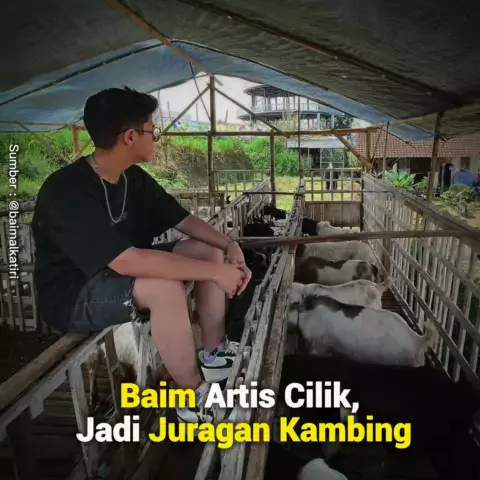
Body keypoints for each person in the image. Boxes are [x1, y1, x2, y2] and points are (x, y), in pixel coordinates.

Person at [32, 87, 252, 423]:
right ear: (130, 136)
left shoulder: (132, 179)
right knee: (164, 289)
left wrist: (227, 246)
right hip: (74, 290)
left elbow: (181, 219)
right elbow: (127, 261)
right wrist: (215, 273)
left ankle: (214, 353)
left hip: (119, 270)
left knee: (205, 251)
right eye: (152, 131)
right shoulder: (66, 191)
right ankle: (194, 397)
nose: (156, 138)